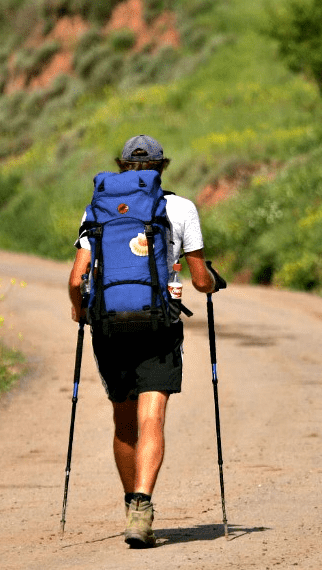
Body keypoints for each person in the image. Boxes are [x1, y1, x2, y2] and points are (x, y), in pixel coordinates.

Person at [67, 134, 219, 548]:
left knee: (123, 421)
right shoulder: (181, 208)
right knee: (153, 417)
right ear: (160, 168)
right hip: (158, 324)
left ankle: (128, 504)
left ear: (121, 168)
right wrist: (210, 284)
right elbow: (201, 278)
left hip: (110, 326)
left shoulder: (98, 207)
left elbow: (77, 279)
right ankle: (143, 505)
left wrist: (82, 314)